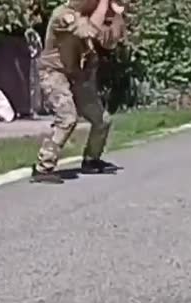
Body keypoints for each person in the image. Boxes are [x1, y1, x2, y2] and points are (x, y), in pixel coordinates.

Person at [31, 0, 126, 184]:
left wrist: (116, 15)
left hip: (78, 76)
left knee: (101, 120)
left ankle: (91, 160)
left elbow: (111, 42)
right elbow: (88, 30)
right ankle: (43, 167)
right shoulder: (63, 15)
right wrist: (104, 4)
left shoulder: (91, 16)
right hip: (54, 73)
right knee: (67, 118)